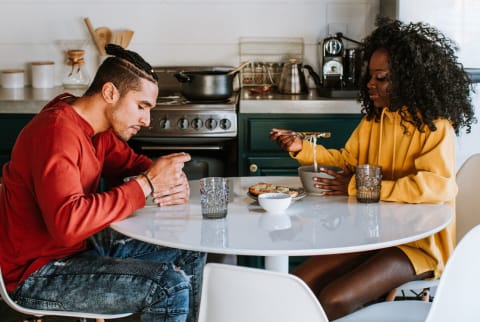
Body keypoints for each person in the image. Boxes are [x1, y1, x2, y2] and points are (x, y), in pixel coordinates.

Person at [270, 17, 476, 320]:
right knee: (300, 282)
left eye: (381, 78)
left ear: (407, 79)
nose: (370, 84)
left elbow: (438, 186)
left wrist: (361, 187)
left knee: (335, 298)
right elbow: (346, 161)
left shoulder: (435, 127)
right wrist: (303, 149)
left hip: (417, 246)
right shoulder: (375, 120)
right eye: (370, 76)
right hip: (372, 233)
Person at [0, 44, 206, 322]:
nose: (146, 120)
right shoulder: (56, 133)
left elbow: (134, 165)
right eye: (141, 106)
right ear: (110, 92)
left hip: (81, 251)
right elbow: (67, 225)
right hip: (37, 273)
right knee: (166, 286)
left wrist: (170, 180)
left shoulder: (97, 130)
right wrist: (148, 183)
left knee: (191, 249)